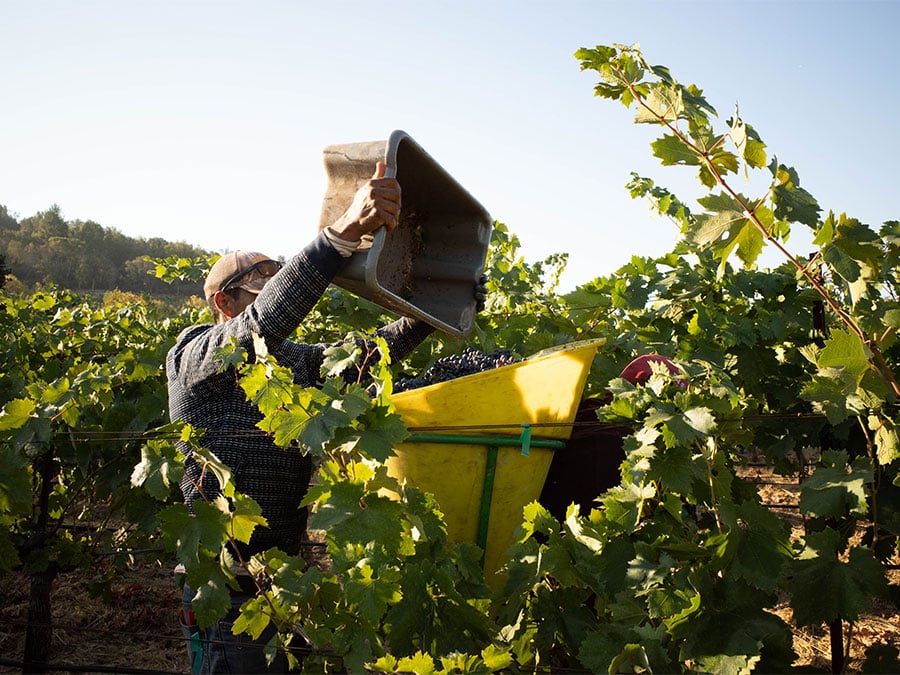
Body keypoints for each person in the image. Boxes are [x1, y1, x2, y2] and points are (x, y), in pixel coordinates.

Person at [168, 162, 475, 673]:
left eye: (274, 276)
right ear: (224, 303)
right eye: (259, 281)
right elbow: (264, 321)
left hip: (287, 573)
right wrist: (341, 234)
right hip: (227, 581)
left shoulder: (286, 362)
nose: (270, 287)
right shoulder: (197, 356)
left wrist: (428, 312)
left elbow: (354, 362)